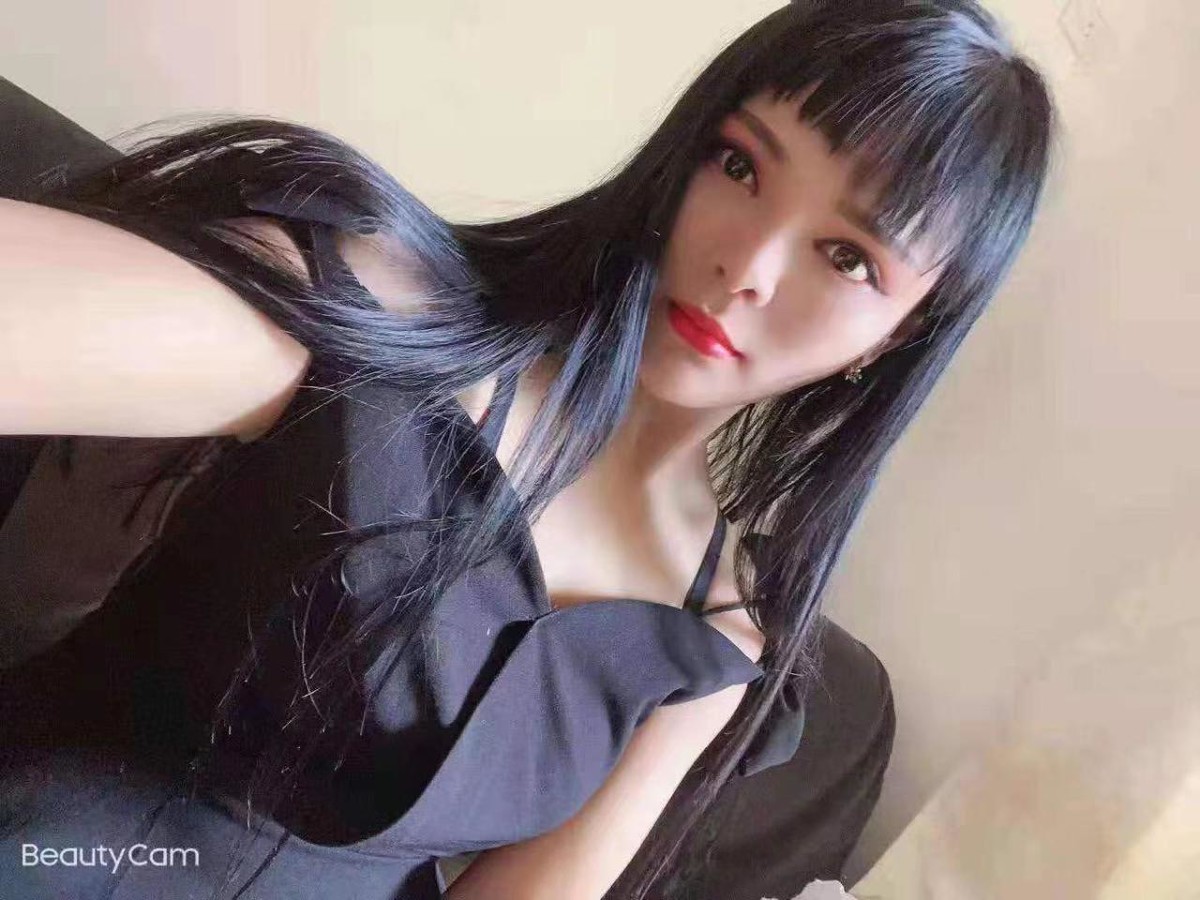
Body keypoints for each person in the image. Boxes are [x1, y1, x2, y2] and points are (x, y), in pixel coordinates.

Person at [0, 1, 1056, 897]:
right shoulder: (375, 318)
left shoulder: (720, 642)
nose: (749, 269)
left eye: (847, 257)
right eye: (739, 165)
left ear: (898, 335)